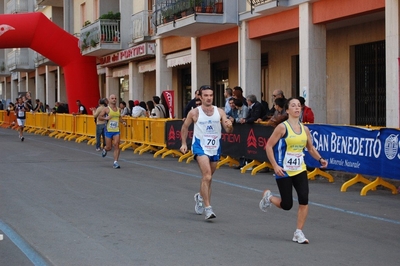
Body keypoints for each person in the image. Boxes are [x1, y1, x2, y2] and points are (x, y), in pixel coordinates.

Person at [259, 97, 328, 244]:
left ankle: (299, 232)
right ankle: (269, 197)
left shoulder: (305, 129)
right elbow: (269, 146)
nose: (297, 108)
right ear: (288, 110)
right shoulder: (282, 128)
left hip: (299, 169)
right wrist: (275, 166)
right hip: (283, 170)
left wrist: (320, 159)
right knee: (287, 205)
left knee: (304, 200)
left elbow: (310, 148)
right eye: (293, 106)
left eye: (299, 106)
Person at [180, 85, 233, 220]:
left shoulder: (219, 112)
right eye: (206, 95)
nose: (209, 98)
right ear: (200, 97)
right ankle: (208, 209)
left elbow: (228, 130)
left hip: (215, 147)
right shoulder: (194, 113)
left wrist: (229, 126)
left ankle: (200, 196)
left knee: (208, 179)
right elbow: (185, 127)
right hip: (200, 147)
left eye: (211, 95)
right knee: (207, 176)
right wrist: (184, 143)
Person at [98, 94, 127, 169]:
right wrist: (105, 118)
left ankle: (115, 162)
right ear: (109, 100)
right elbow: (99, 117)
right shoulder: (106, 109)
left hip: (116, 130)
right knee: (109, 147)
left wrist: (123, 122)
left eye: (115, 98)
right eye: (112, 98)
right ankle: (105, 149)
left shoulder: (118, 109)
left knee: (117, 145)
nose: (114, 99)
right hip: (108, 130)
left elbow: (119, 117)